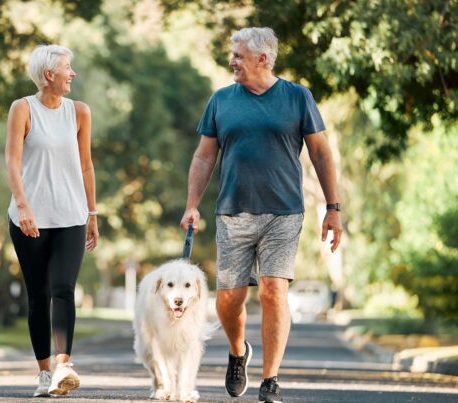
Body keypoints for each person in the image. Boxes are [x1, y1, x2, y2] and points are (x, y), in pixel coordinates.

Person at [180, 27, 342, 403]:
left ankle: (270, 380)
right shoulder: (221, 100)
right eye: (233, 55)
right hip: (232, 211)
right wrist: (192, 204)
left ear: (262, 59)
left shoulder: (297, 97)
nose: (232, 61)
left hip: (284, 212)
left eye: (238, 55)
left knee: (273, 290)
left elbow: (320, 153)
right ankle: (238, 352)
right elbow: (204, 156)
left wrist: (333, 208)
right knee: (228, 299)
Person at [5, 44, 99, 398]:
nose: (72, 73)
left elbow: (87, 165)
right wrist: (23, 206)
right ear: (49, 75)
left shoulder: (79, 112)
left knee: (63, 290)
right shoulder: (22, 109)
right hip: (30, 218)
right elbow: (13, 161)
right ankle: (44, 372)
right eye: (67, 68)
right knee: (38, 294)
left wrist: (92, 213)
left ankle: (63, 366)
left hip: (71, 215)